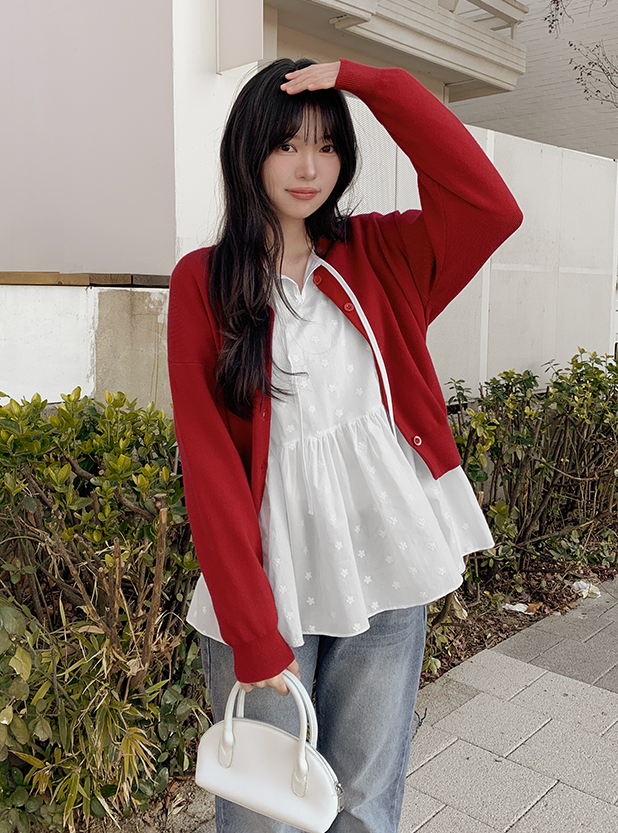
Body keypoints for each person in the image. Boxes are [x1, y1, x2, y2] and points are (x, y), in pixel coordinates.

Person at [167, 57, 522, 833]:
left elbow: (490, 205)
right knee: (265, 813)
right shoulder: (204, 282)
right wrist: (251, 630)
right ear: (249, 150)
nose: (309, 167)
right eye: (288, 144)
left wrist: (377, 83)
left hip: (384, 566)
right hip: (270, 589)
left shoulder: (384, 256)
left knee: (363, 805)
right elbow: (210, 465)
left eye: (327, 146)